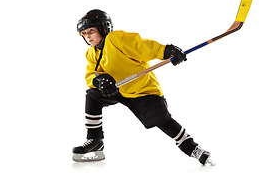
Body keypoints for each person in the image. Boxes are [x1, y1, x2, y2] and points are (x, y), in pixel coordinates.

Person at [72, 9, 215, 166]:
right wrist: (99, 81)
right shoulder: (91, 53)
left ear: (104, 28)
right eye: (84, 33)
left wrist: (165, 51)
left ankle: (193, 148)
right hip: (119, 90)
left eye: (91, 30)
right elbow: (90, 75)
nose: (88, 36)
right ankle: (95, 139)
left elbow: (141, 46)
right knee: (93, 95)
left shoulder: (116, 39)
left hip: (143, 91)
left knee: (162, 120)